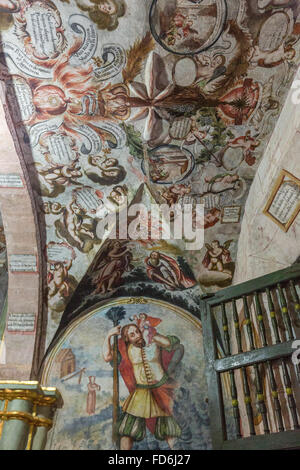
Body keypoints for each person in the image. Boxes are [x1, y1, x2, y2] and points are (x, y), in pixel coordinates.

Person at [103, 323, 183, 449]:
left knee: (169, 430)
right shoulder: (125, 350)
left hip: (161, 389)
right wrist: (109, 335)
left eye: (137, 331)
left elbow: (169, 343)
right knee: (127, 430)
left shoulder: (153, 339)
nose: (137, 335)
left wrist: (152, 333)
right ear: (127, 339)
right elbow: (107, 357)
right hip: (141, 392)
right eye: (132, 334)